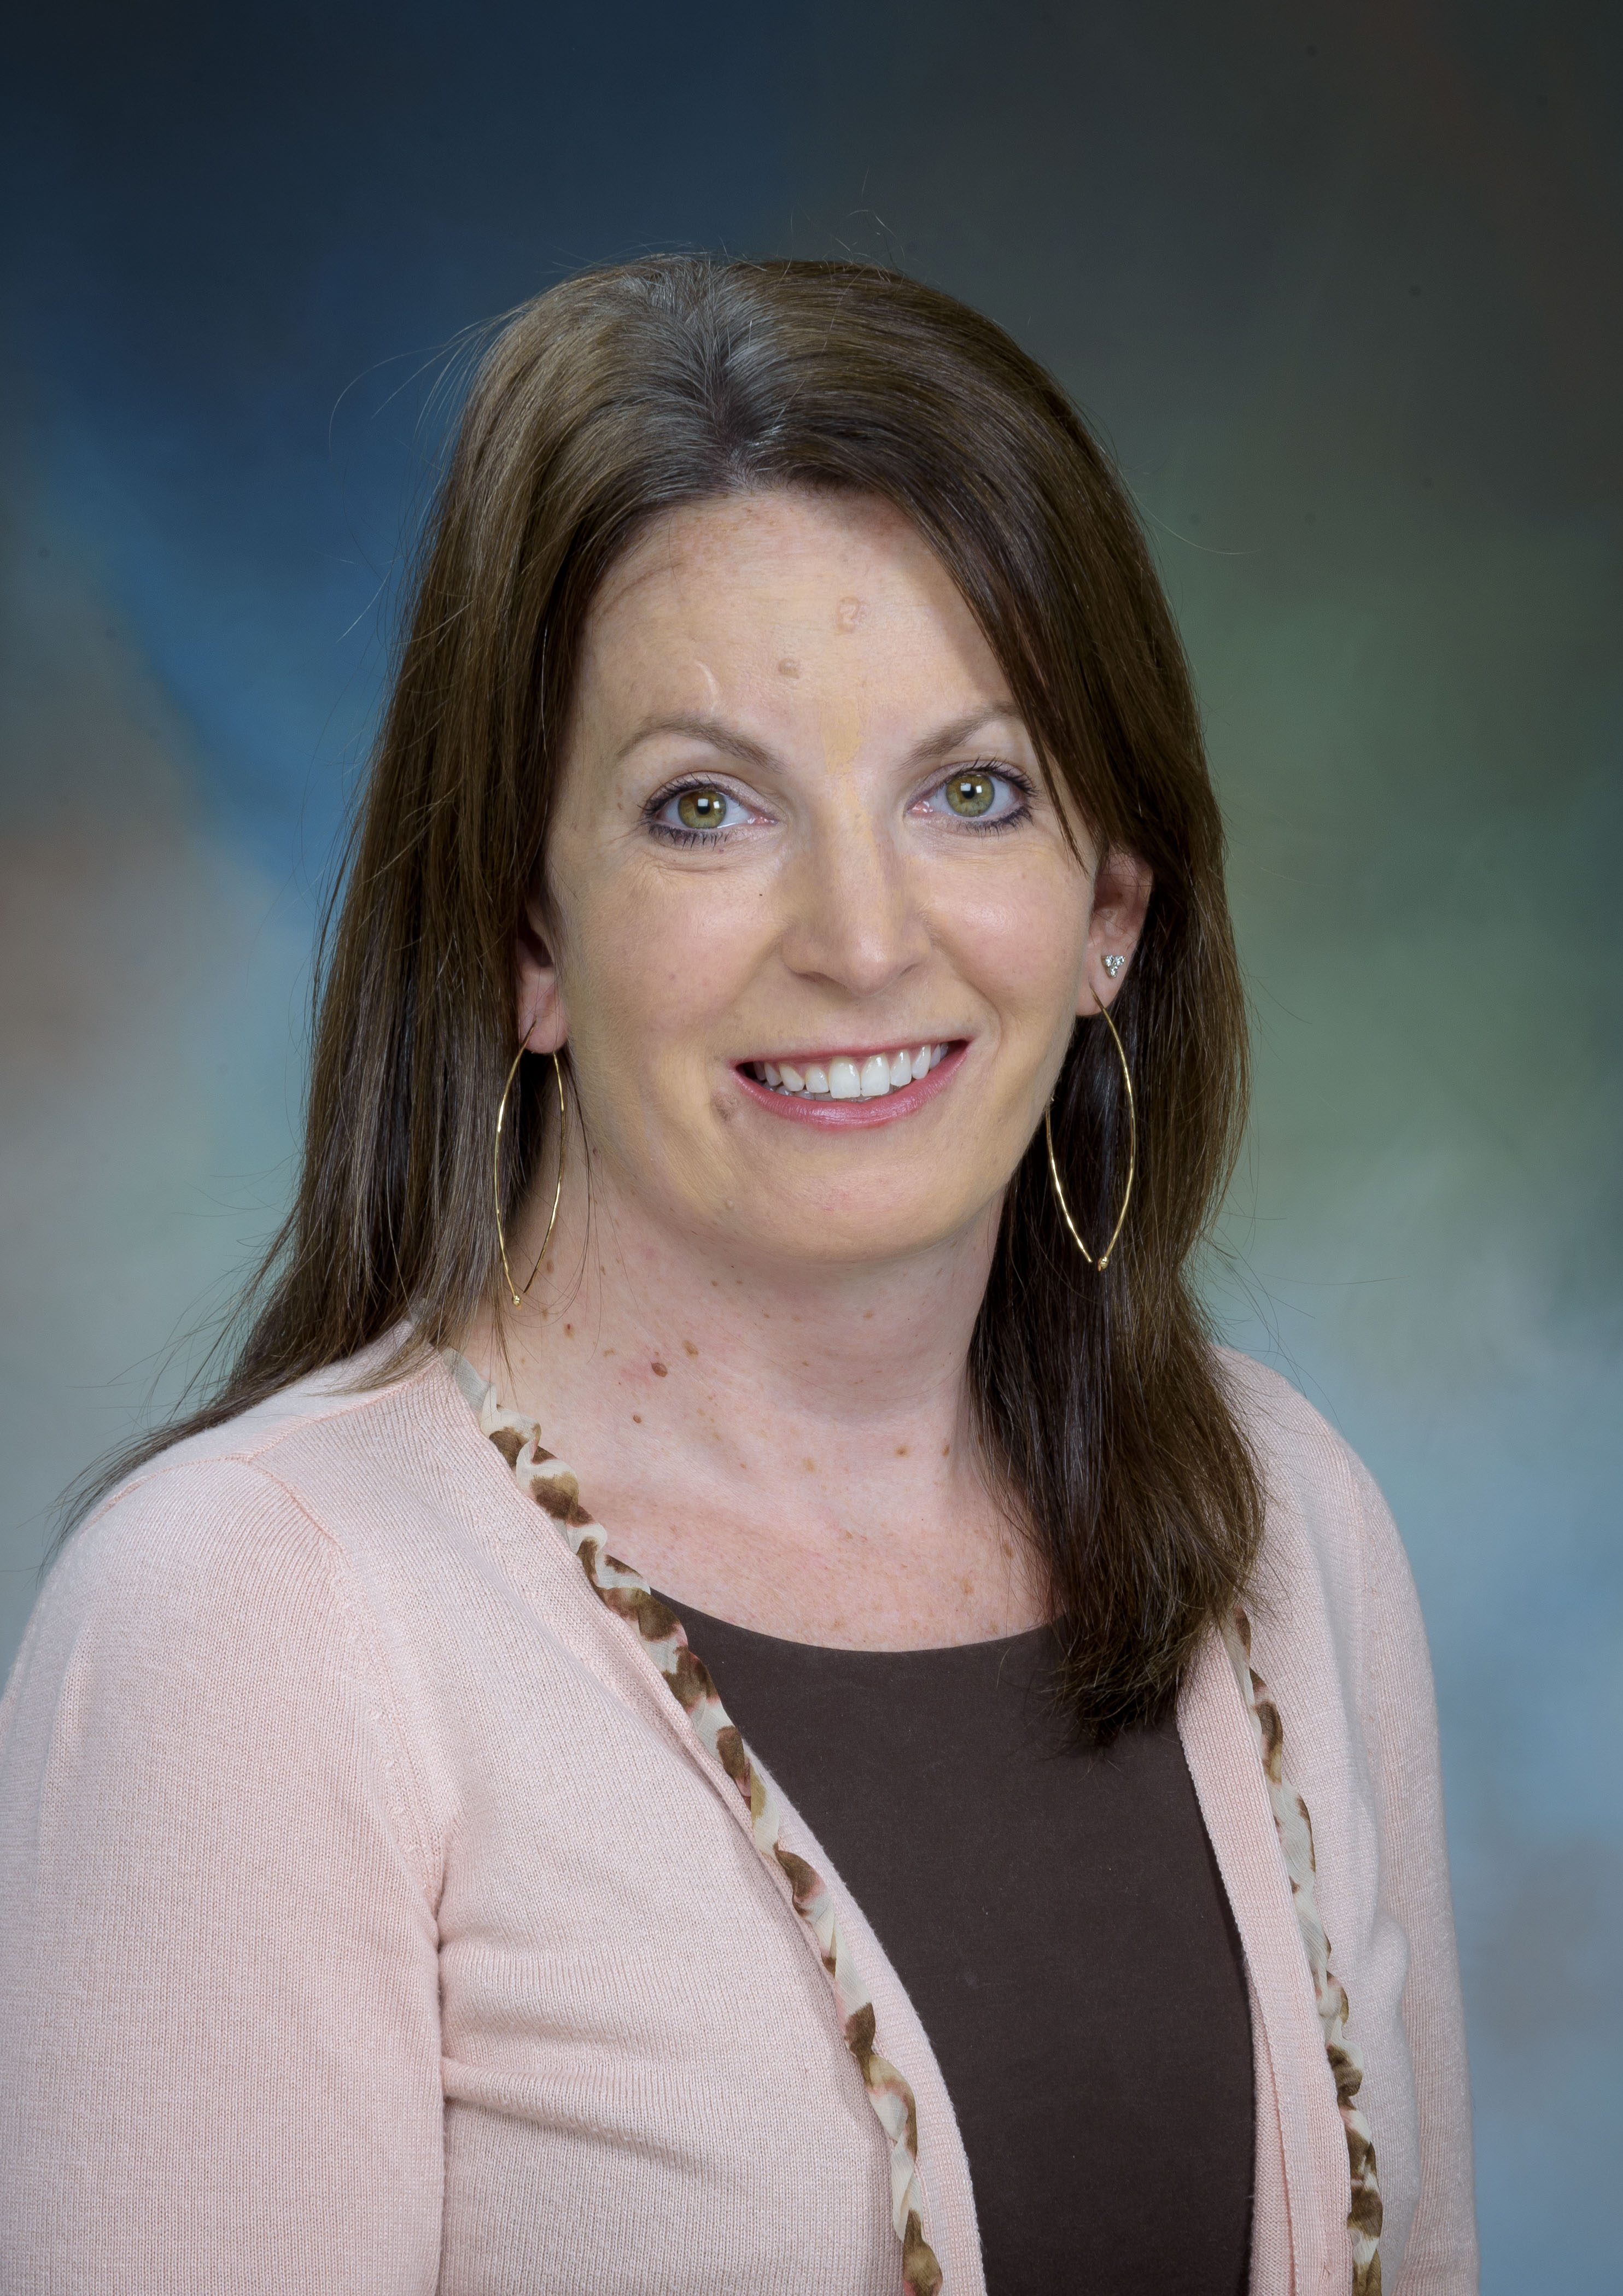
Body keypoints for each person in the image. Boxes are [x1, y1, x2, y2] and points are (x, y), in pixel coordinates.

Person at [0, 257, 1477, 2296]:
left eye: (974, 791)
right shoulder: (252, 1625)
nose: (864, 939)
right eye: (707, 811)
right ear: (528, 938)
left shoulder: (1287, 1524)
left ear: (1111, 908)